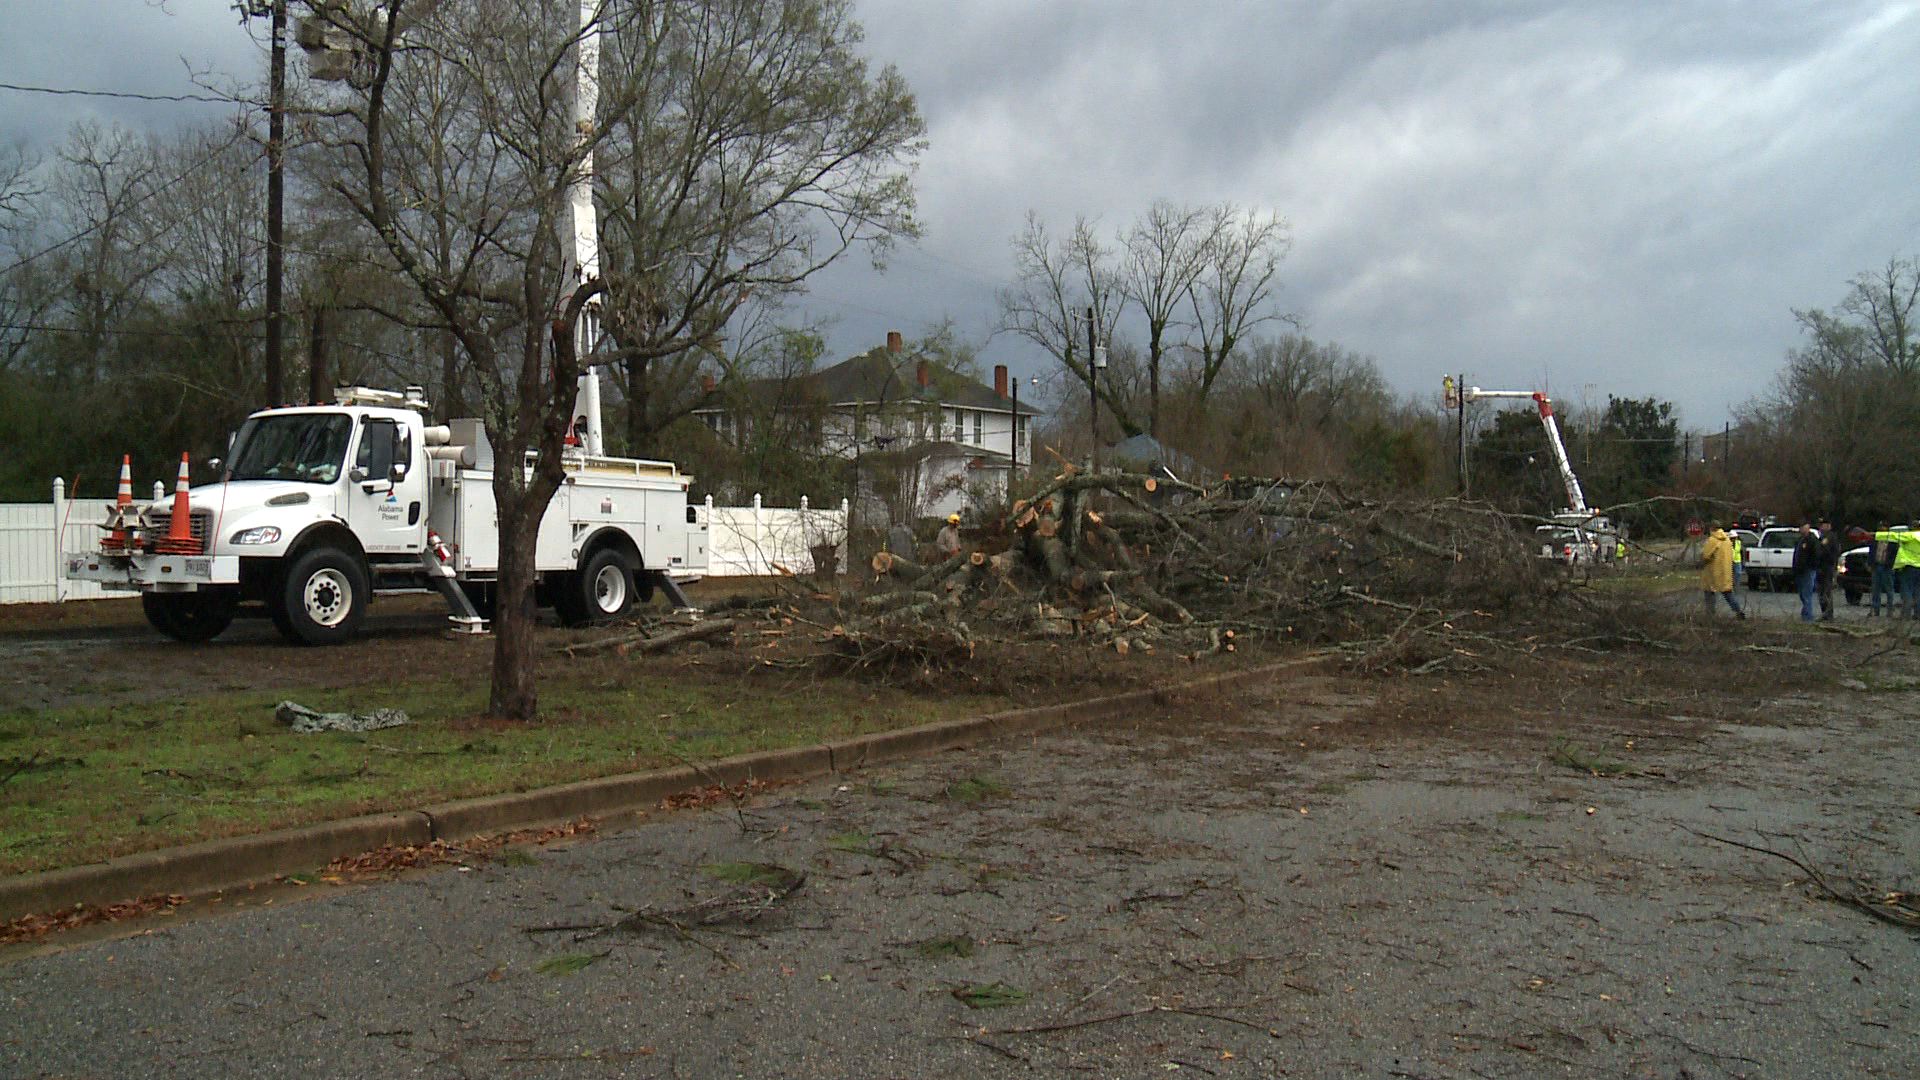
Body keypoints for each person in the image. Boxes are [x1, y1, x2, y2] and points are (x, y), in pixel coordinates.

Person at [1872, 523, 1920, 619]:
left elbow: (1893, 536)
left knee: (1907, 591)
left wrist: (1873, 534)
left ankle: (1906, 614)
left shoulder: (1911, 535)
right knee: (1918, 591)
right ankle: (1917, 614)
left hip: (1909, 566)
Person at [1699, 526, 1746, 620]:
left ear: (1711, 529)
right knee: (1728, 594)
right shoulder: (1727, 541)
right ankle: (1738, 611)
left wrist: (1701, 562)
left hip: (1712, 572)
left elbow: (1706, 555)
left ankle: (1710, 616)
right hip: (1725, 572)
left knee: (1709, 593)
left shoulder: (1712, 540)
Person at [1791, 522, 1821, 623]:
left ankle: (1808, 618)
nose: (1801, 529)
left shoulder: (1812, 540)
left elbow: (1816, 555)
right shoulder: (1800, 540)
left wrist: (1811, 566)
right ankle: (1805, 614)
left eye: (1803, 527)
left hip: (1808, 571)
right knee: (1802, 594)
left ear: (1808, 527)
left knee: (1807, 594)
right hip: (1799, 571)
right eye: (1800, 527)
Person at [1869, 522, 1897, 617]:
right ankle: (1875, 610)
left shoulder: (1892, 541)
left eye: (1884, 526)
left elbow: (1894, 554)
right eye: (1880, 527)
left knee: (1889, 590)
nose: (1882, 528)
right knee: (1875, 590)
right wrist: (1871, 564)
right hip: (1876, 566)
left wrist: (1890, 564)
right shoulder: (1875, 540)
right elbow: (1871, 552)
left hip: (1887, 568)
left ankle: (1890, 611)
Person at [1816, 520, 1841, 622]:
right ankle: (1825, 613)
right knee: (1821, 591)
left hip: (1827, 568)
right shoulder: (1822, 537)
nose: (1823, 527)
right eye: (1822, 525)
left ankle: (1828, 614)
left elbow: (1831, 553)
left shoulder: (1830, 537)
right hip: (1821, 567)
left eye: (1825, 525)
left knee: (1826, 591)